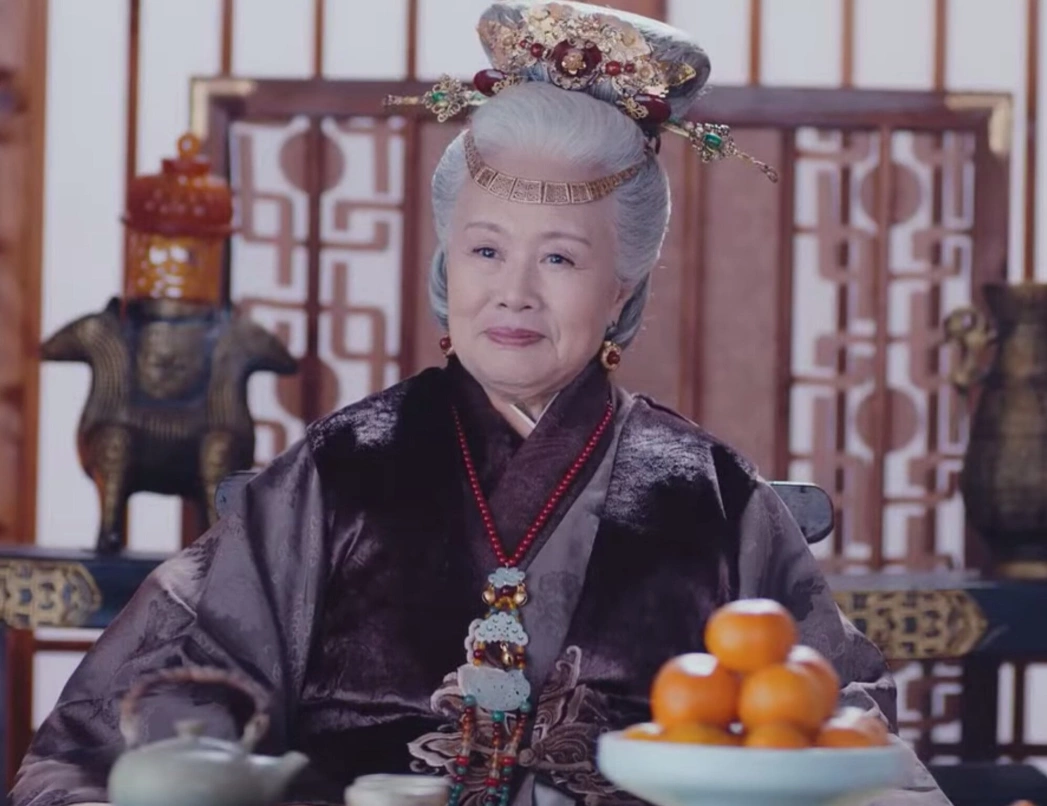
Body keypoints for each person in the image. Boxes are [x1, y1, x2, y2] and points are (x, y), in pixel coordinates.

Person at [12, 3, 950, 805]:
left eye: (560, 257)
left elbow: (835, 729)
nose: (514, 293)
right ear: (446, 262)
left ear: (623, 289)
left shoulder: (711, 493)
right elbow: (164, 696)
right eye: (487, 249)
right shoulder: (341, 470)